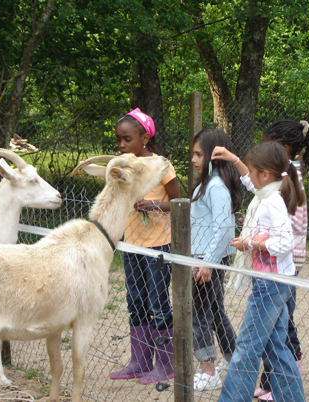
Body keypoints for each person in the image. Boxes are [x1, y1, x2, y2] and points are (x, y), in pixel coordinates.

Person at [212, 141, 305, 402]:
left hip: (270, 284)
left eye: (252, 172)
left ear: (265, 175)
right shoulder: (269, 191)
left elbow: (286, 243)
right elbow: (250, 183)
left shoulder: (272, 201)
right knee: (276, 347)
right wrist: (234, 158)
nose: (248, 178)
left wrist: (250, 243)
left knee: (247, 347)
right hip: (275, 281)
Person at [109, 108, 181, 385]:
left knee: (159, 304)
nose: (121, 145)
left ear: (145, 138)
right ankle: (139, 362)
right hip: (133, 245)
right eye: (119, 139)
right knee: (135, 302)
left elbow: (178, 204)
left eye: (127, 139)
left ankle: (166, 365)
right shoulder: (125, 165)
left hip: (158, 247)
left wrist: (153, 205)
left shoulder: (162, 166)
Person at [254, 119, 309, 400]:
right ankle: (280, 371)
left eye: (266, 145)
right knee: (280, 318)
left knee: (278, 320)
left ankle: (279, 379)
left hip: (283, 263)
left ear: (283, 148)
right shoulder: (282, 175)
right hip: (278, 262)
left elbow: (283, 226)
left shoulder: (286, 180)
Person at [190, 128, 242, 391]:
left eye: (199, 154)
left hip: (205, 261)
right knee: (214, 311)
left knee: (199, 312)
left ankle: (207, 369)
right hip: (203, 258)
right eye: (194, 154)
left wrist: (207, 262)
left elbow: (222, 227)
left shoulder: (215, 186)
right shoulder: (206, 184)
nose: (193, 159)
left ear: (213, 156)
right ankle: (234, 360)